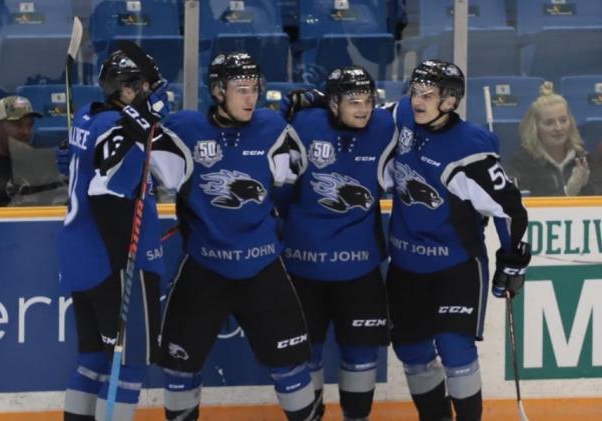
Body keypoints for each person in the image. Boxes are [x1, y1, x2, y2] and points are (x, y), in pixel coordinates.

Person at [158, 51, 318, 421]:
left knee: (291, 366)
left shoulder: (273, 129)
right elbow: (143, 172)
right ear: (217, 91)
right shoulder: (185, 129)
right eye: (242, 89)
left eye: (255, 89)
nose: (252, 98)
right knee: (179, 371)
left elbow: (291, 186)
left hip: (262, 268)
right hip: (203, 269)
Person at [382, 60, 530, 421]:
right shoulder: (401, 116)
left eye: (427, 95)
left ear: (449, 101)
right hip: (405, 266)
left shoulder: (470, 150)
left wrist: (511, 260)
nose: (417, 100)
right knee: (411, 349)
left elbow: (510, 209)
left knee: (454, 346)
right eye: (415, 91)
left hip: (457, 267)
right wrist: (322, 100)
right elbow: (365, 112)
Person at [59, 47, 187, 420]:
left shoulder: (87, 116)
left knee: (93, 362)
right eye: (148, 86)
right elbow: (108, 190)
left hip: (79, 257)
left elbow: (75, 161)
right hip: (114, 261)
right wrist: (124, 263)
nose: (154, 93)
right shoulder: (120, 131)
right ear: (129, 89)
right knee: (129, 367)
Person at [279, 66, 393, 420]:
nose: (363, 108)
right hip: (303, 268)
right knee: (304, 354)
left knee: (360, 356)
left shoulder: (385, 126)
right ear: (332, 103)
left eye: (368, 100)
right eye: (354, 101)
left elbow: (426, 108)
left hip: (359, 271)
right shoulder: (305, 124)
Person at [507, 81, 596, 196]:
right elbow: (526, 206)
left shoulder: (583, 159)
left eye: (563, 120)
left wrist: (584, 187)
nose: (558, 128)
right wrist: (568, 192)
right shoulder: (522, 162)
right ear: (535, 128)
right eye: (549, 123)